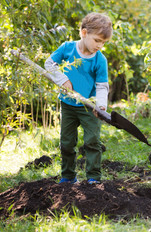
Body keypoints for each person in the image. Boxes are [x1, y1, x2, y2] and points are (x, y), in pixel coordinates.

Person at [45, 12, 113, 184]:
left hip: (89, 107)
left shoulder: (100, 59)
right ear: (84, 33)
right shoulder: (67, 48)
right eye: (97, 40)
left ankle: (93, 177)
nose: (100, 45)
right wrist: (64, 80)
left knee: (92, 141)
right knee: (67, 142)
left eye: (103, 42)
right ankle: (68, 176)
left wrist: (101, 106)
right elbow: (49, 64)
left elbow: (102, 86)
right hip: (68, 104)